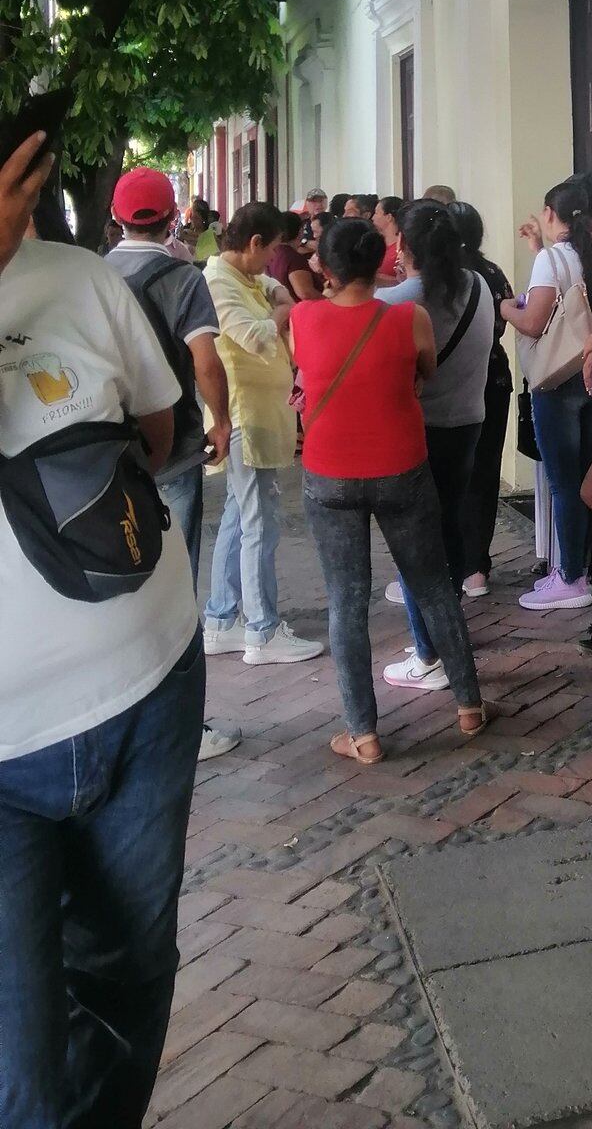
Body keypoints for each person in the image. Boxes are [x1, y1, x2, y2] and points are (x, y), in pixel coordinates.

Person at [0, 127, 202, 1128]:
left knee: (129, 974)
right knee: (22, 1075)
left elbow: (162, 435)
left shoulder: (83, 280)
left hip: (146, 682)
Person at [291, 219, 486, 759]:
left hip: (329, 471)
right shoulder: (409, 318)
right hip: (401, 463)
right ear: (383, 262)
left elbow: (310, 372)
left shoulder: (303, 318)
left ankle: (364, 733)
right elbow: (422, 370)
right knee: (432, 584)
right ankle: (468, 704)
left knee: (346, 601)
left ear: (326, 267)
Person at [105, 165, 241, 764]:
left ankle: (119, 718)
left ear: (115, 220)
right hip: (177, 447)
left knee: (118, 578)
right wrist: (222, 419)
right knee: (178, 584)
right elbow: (206, 362)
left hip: (110, 452)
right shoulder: (183, 277)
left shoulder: (95, 276)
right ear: (171, 219)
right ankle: (186, 728)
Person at [377, 199, 495, 689]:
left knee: (414, 544)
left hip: (420, 432)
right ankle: (442, 638)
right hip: (469, 424)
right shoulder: (480, 286)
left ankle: (428, 654)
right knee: (445, 532)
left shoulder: (395, 302)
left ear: (402, 244)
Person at [201, 202, 325, 666]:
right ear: (254, 244)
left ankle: (221, 616)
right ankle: (261, 630)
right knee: (259, 522)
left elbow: (273, 289)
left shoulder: (246, 277)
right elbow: (254, 335)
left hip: (258, 414)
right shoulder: (218, 283)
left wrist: (279, 298)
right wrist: (282, 312)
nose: (276, 259)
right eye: (272, 249)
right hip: (243, 417)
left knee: (240, 516)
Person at [501, 176, 592, 611]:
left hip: (555, 380)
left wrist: (506, 308)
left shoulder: (552, 260)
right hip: (590, 372)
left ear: (552, 215)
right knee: (583, 477)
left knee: (563, 481)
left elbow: (534, 322)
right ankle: (580, 565)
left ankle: (570, 576)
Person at [448, 200, 514, 596]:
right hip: (493, 378)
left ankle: (449, 562)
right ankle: (477, 567)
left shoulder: (445, 278)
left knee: (447, 474)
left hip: (452, 384)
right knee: (484, 471)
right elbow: (503, 323)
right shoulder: (492, 273)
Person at [266, 208, 319, 302]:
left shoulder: (272, 253)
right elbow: (305, 293)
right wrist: (328, 302)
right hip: (298, 311)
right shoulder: (293, 258)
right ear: (300, 232)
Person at [373, 194, 405, 281]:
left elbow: (404, 281)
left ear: (389, 217)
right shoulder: (376, 244)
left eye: (376, 213)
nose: (373, 217)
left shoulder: (402, 250)